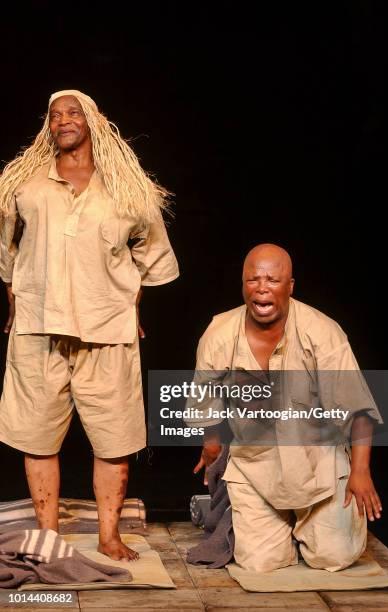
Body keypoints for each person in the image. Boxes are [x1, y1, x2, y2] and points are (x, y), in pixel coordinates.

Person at [0, 89, 179, 561]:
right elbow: (9, 253)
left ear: (94, 121)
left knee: (114, 435)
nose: (63, 120)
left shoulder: (127, 189)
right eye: (55, 115)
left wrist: (131, 305)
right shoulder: (26, 185)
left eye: (73, 112)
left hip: (108, 329)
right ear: (48, 126)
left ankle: (109, 534)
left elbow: (152, 255)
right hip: (39, 328)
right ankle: (47, 535)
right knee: (37, 433)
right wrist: (16, 307)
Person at [189, 243, 382, 573]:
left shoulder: (322, 332)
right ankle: (240, 516)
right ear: (243, 284)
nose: (262, 288)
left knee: (334, 557)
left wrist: (361, 472)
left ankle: (309, 527)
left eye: (273, 280)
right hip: (256, 466)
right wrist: (211, 447)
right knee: (261, 563)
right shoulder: (220, 334)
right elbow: (205, 398)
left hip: (318, 464)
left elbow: (358, 407)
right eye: (253, 279)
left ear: (289, 287)